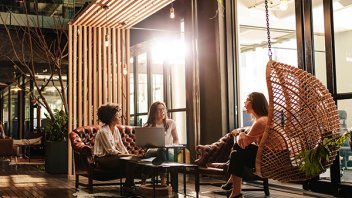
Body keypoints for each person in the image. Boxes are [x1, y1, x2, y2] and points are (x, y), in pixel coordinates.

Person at [227, 92, 268, 198]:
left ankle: (235, 189)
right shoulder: (263, 119)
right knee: (236, 153)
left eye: (247, 99)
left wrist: (241, 133)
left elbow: (243, 143)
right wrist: (242, 131)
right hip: (270, 155)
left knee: (236, 152)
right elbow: (248, 130)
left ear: (255, 103)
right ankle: (235, 191)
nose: (245, 102)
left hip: (269, 159)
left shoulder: (260, 122)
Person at [143, 101, 180, 186]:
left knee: (162, 150)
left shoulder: (170, 123)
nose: (162, 111)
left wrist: (173, 146)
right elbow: (146, 144)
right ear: (153, 112)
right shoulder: (148, 126)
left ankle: (159, 180)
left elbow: (176, 139)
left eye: (163, 109)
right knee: (150, 154)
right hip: (153, 151)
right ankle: (160, 180)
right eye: (159, 110)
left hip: (169, 150)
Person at [94, 103, 130, 170]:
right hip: (102, 159)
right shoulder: (103, 131)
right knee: (124, 160)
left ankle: (130, 180)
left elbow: (120, 145)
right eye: (117, 115)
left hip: (112, 157)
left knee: (130, 161)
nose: (119, 116)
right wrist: (126, 156)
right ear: (111, 117)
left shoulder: (116, 129)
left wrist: (128, 155)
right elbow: (110, 151)